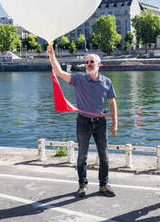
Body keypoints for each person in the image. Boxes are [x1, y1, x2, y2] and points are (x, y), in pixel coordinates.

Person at [47, 45, 118, 197]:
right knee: (82, 155)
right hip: (83, 122)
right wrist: (52, 55)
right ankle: (82, 185)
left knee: (104, 155)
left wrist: (115, 123)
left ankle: (104, 185)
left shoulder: (107, 82)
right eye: (87, 62)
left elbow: (112, 102)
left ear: (98, 64)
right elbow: (59, 73)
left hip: (100, 123)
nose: (88, 64)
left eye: (92, 62)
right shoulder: (79, 80)